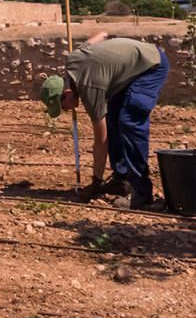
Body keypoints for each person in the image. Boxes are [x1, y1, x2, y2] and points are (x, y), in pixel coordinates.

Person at [41, 32, 170, 210]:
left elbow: (101, 140)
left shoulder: (89, 88)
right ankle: (121, 179)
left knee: (129, 121)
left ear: (68, 93)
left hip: (151, 66)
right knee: (113, 117)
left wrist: (96, 182)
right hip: (136, 66)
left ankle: (142, 193)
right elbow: (102, 35)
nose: (66, 110)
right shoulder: (73, 59)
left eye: (63, 106)